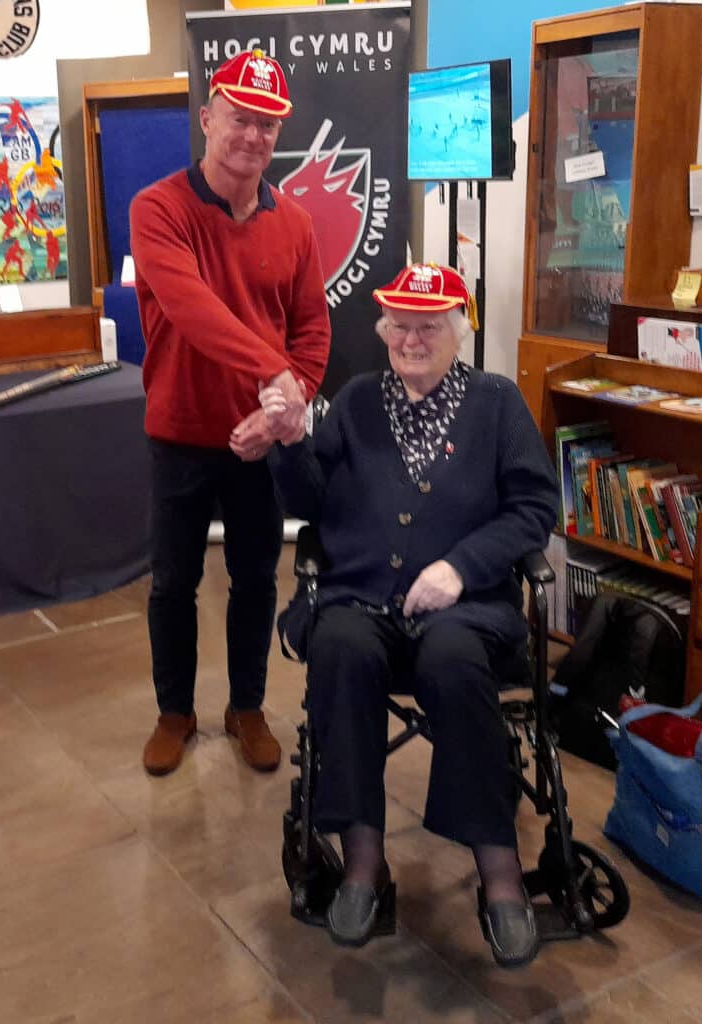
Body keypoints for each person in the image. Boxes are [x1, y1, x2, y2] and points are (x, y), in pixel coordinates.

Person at [264, 263, 558, 966]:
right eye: (401, 324)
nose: (412, 338)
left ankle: (500, 871)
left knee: (454, 662)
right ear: (385, 330)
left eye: (429, 325)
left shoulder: (497, 403)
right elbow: (309, 500)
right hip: (359, 598)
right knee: (340, 646)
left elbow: (534, 509)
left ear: (459, 330)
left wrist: (462, 567)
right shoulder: (360, 401)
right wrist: (288, 441)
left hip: (463, 611)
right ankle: (363, 863)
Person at [129, 49, 331, 777]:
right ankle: (173, 713)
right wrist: (274, 374)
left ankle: (246, 707)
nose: (252, 136)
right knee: (172, 582)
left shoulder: (297, 223)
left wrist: (288, 404)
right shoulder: (157, 209)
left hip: (260, 443)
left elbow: (312, 330)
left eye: (268, 126)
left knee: (255, 578)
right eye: (241, 119)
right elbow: (193, 310)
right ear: (208, 119)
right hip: (179, 433)